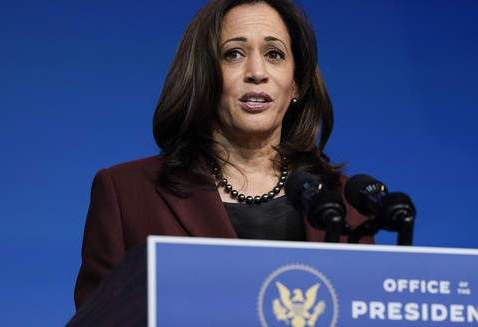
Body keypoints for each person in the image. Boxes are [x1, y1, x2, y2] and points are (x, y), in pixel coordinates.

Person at [74, 0, 374, 310]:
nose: (257, 73)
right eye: (233, 54)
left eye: (274, 54)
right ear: (203, 76)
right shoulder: (128, 194)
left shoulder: (346, 203)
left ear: (296, 83)